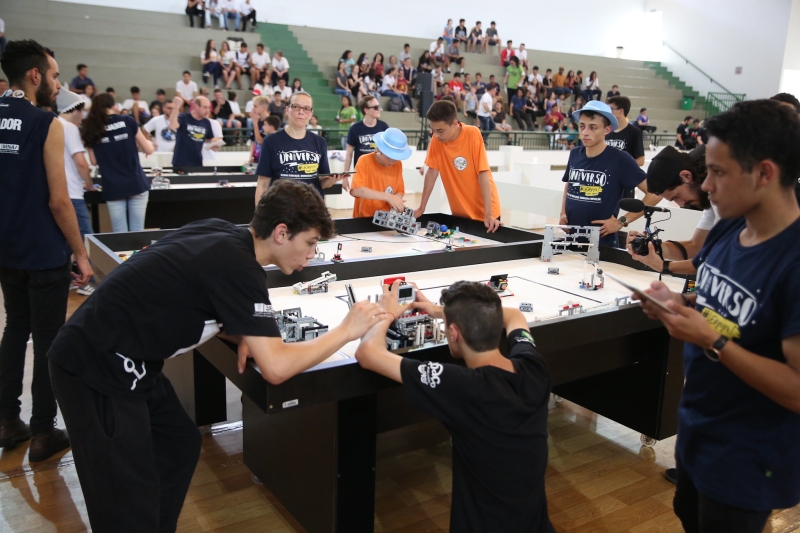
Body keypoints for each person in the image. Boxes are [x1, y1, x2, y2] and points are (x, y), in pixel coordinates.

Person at [47, 179, 389, 533]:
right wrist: (347, 330)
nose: (311, 255)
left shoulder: (223, 234)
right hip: (95, 367)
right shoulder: (241, 269)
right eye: (311, 243)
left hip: (129, 358)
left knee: (178, 444)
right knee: (125, 501)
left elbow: (190, 291)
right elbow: (276, 367)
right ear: (282, 232)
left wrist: (245, 331)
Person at [633, 99, 800, 533]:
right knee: (689, 516)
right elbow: (717, 313)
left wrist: (711, 340)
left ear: (764, 173)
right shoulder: (730, 225)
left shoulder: (793, 262)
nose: (706, 186)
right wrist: (678, 308)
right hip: (700, 430)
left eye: (719, 173)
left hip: (749, 455)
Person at [355, 280, 556, 533]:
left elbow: (367, 353)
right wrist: (448, 313)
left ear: (454, 334)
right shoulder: (534, 368)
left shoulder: (462, 386)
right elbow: (514, 315)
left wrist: (388, 313)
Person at [0, 40, 94, 464]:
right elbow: (60, 201)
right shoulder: (46, 123)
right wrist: (82, 253)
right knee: (48, 341)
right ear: (35, 75)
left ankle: (6, 421)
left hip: (7, 250)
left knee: (15, 330)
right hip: (42, 251)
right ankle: (42, 431)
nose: (59, 83)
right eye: (55, 75)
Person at [560, 100, 660, 247]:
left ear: (607, 130)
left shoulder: (620, 159)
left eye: (593, 127)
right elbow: (570, 183)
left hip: (602, 244)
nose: (585, 132)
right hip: (572, 238)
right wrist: (563, 212)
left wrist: (621, 222)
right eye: (582, 126)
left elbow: (655, 194)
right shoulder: (575, 153)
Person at [415, 100, 502, 232]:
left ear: (455, 123)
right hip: (460, 214)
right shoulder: (436, 141)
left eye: (440, 130)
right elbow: (432, 172)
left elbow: (483, 173)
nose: (436, 135)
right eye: (433, 130)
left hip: (486, 213)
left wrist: (488, 213)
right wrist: (422, 207)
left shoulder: (472, 133)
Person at [627, 145, 711, 278]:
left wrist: (664, 266)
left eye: (676, 196)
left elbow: (717, 261)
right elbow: (695, 247)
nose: (682, 204)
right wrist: (652, 247)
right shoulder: (710, 203)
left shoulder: (730, 199)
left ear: (686, 176)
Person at [82, 93, 154, 233]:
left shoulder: (92, 128)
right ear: (113, 106)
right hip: (136, 183)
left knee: (119, 233)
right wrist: (148, 146)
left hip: (113, 186)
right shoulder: (128, 120)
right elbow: (148, 149)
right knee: (137, 232)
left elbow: (94, 161)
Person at [256, 92, 346, 201]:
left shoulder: (320, 142)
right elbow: (262, 184)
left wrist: (332, 180)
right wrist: (259, 216)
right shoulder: (271, 141)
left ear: (311, 114)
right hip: (280, 210)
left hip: (311, 210)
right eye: (296, 107)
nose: (301, 112)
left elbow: (321, 183)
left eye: (306, 108)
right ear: (287, 110)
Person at [57, 89, 97, 296]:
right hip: (73, 193)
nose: (83, 116)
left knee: (64, 241)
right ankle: (88, 282)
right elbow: (80, 162)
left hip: (58, 192)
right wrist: (89, 183)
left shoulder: (52, 125)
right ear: (74, 109)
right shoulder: (70, 129)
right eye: (81, 111)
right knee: (85, 239)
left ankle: (66, 280)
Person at [350, 128, 411, 217]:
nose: (392, 161)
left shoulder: (397, 165)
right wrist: (388, 197)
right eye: (389, 156)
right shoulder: (364, 161)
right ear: (379, 149)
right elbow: (356, 190)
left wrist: (396, 201)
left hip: (386, 219)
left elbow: (400, 191)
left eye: (396, 157)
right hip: (364, 218)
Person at [169, 95, 220, 168]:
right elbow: (172, 126)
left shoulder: (206, 122)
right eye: (205, 107)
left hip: (197, 162)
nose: (208, 110)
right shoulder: (184, 118)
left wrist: (215, 144)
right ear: (196, 106)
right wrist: (176, 107)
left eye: (209, 108)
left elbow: (208, 139)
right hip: (181, 162)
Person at [345, 95, 389, 176]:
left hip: (379, 172)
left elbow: (388, 152)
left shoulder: (384, 127)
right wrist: (345, 177)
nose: (379, 109)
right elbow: (349, 154)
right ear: (366, 110)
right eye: (375, 107)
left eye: (379, 106)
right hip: (361, 172)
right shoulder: (354, 129)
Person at [606, 96, 644, 166]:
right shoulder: (606, 131)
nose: (608, 112)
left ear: (621, 111)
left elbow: (641, 160)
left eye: (611, 109)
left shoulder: (635, 132)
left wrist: (621, 165)